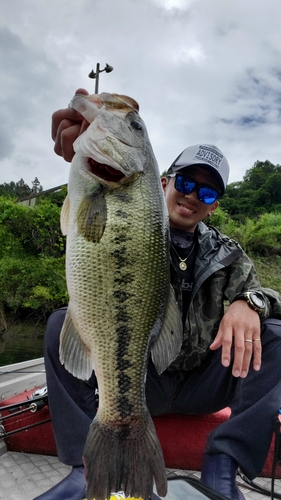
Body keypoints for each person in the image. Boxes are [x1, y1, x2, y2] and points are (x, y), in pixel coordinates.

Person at [34, 90, 281, 500]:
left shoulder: (231, 255)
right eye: (186, 181)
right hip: (143, 377)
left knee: (275, 334)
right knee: (62, 321)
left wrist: (252, 302)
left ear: (215, 205)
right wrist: (88, 142)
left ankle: (223, 462)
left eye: (206, 192)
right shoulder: (129, 207)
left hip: (204, 385)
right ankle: (86, 468)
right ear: (163, 181)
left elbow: (267, 292)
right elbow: (87, 211)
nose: (191, 195)